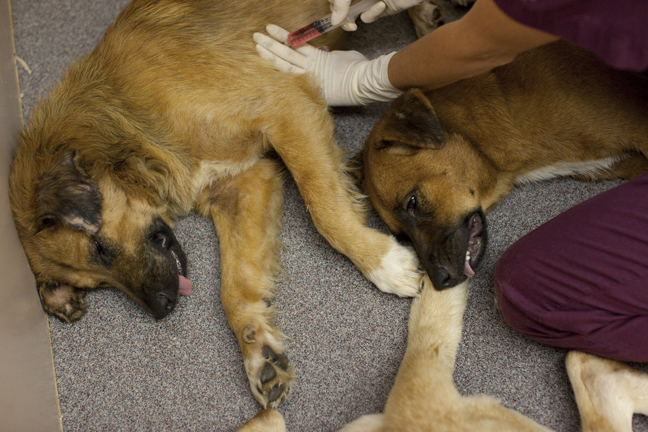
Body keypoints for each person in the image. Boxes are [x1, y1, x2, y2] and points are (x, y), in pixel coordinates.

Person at [254, 0, 648, 363]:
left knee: (536, 295)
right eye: (409, 235)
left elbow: (487, 39)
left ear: (421, 128)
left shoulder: (551, 93)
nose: (435, 268)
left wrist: (367, 78)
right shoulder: (516, 143)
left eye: (414, 205)